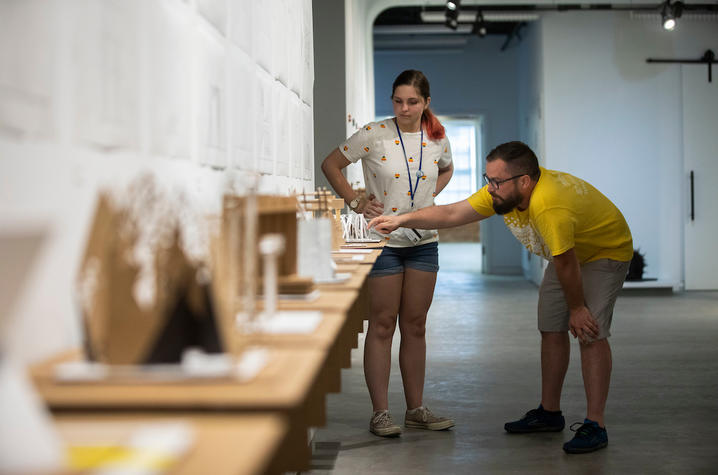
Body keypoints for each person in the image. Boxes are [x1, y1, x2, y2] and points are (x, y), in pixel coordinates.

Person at [369, 141, 632, 453]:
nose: (490, 188)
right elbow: (453, 213)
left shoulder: (549, 205)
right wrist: (402, 219)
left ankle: (595, 424)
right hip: (567, 255)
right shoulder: (504, 193)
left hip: (605, 252)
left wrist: (577, 308)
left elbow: (566, 262)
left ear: (524, 181)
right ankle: (549, 413)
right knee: (550, 326)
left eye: (496, 181)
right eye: (487, 179)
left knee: (590, 331)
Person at [321, 69, 456, 437]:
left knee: (415, 325)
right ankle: (380, 413)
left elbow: (447, 169)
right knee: (382, 325)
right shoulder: (374, 134)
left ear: (426, 102)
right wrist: (356, 200)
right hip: (381, 242)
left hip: (424, 242)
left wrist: (428, 199)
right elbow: (331, 164)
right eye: (398, 101)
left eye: (413, 101)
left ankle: (416, 409)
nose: (404, 108)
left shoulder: (437, 136)